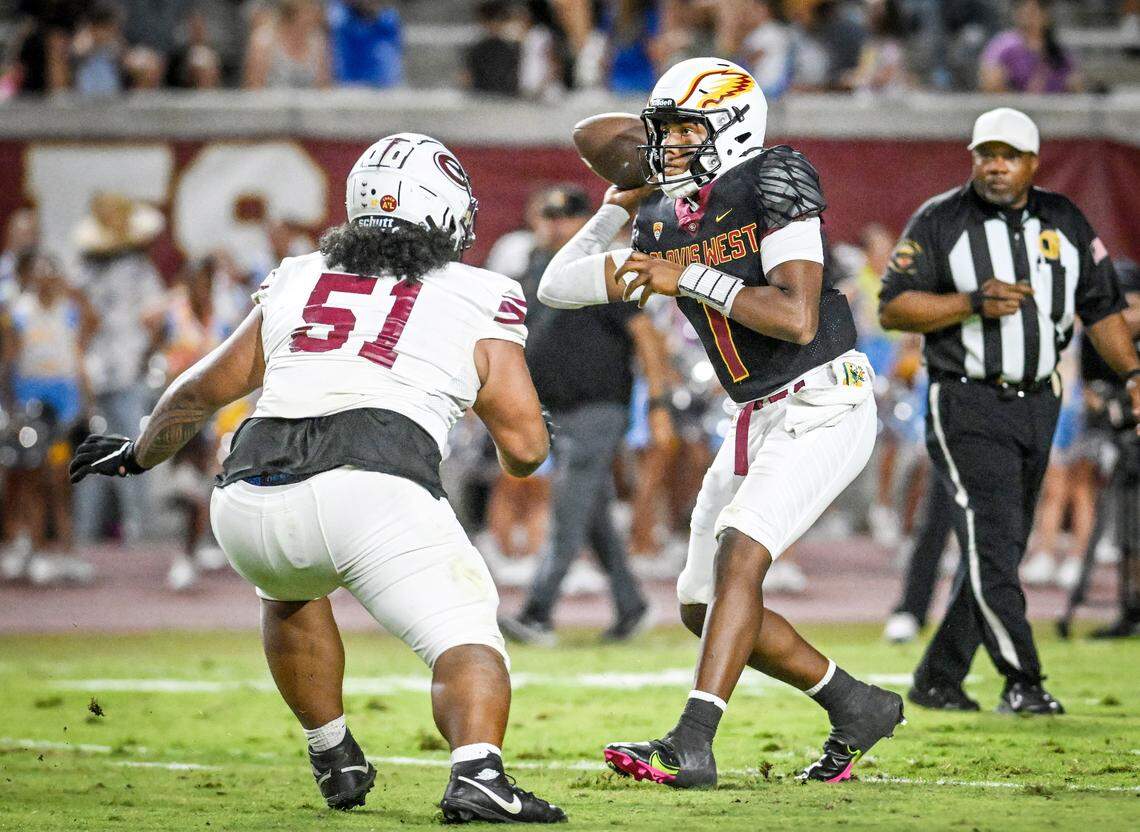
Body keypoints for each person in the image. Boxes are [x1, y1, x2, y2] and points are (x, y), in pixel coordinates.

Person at [69, 133, 566, 824]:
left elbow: (201, 388)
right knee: (466, 631)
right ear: (445, 209)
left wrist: (138, 453)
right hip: (373, 482)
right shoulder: (480, 291)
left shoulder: (300, 273)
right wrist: (526, 439)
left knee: (289, 589)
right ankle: (478, 772)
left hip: (246, 495)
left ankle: (332, 749)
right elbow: (524, 445)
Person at [537, 57, 903, 787]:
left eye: (680, 130)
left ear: (731, 128)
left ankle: (692, 743)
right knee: (702, 606)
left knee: (742, 553)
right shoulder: (665, 218)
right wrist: (616, 205)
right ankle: (856, 705)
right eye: (662, 133)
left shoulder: (773, 178)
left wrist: (689, 276)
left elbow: (797, 319)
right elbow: (556, 283)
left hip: (823, 397)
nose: (665, 146)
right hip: (754, 414)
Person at [878, 107, 1140, 715]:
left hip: (1039, 400)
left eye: (1009, 155)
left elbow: (1100, 308)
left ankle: (938, 677)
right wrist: (968, 302)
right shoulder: (941, 219)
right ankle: (1023, 678)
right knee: (995, 542)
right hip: (966, 397)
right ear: (974, 157)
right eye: (986, 153)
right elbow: (894, 308)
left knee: (1004, 545)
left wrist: (1131, 373)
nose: (996, 165)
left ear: (1033, 162)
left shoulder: (1065, 221)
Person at [498, 184, 673, 645]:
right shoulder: (534, 270)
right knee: (590, 516)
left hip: (599, 408)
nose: (555, 224)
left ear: (584, 221)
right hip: (553, 411)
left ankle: (537, 614)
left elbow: (647, 337)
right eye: (548, 215)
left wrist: (658, 403)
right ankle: (631, 606)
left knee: (567, 513)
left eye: (567, 215)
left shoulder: (601, 270)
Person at [978, 0, 1082, 94]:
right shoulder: (1003, 45)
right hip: (1012, 109)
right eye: (1025, 11)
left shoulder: (1058, 51)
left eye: (1035, 11)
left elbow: (1075, 84)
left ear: (1046, 15)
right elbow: (990, 82)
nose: (1029, 17)